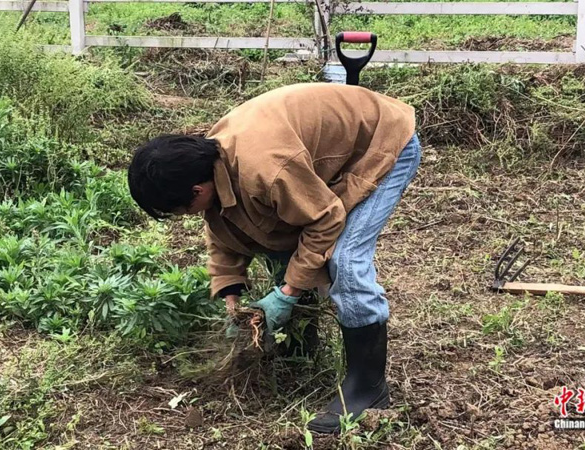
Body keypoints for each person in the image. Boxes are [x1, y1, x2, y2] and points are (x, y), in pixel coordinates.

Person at [127, 82, 421, 434]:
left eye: (180, 210)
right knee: (283, 237)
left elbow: (325, 219)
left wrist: (288, 292)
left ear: (197, 190)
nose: (187, 216)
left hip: (381, 144)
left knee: (345, 261)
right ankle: (301, 345)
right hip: (320, 157)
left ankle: (368, 388)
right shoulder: (206, 165)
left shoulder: (265, 168)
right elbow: (221, 222)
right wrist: (230, 292)